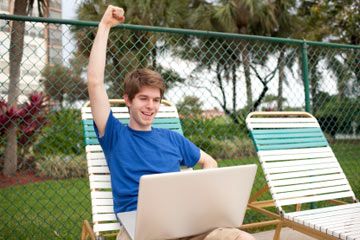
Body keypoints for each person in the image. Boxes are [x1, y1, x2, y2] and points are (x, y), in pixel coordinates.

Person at [87, 5, 255, 240]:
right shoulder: (115, 135)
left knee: (239, 238)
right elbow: (95, 83)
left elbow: (210, 162)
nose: (150, 106)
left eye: (156, 100)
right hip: (142, 227)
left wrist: (200, 198)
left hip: (186, 221)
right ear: (128, 100)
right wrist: (104, 26)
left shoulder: (172, 139)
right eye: (143, 99)